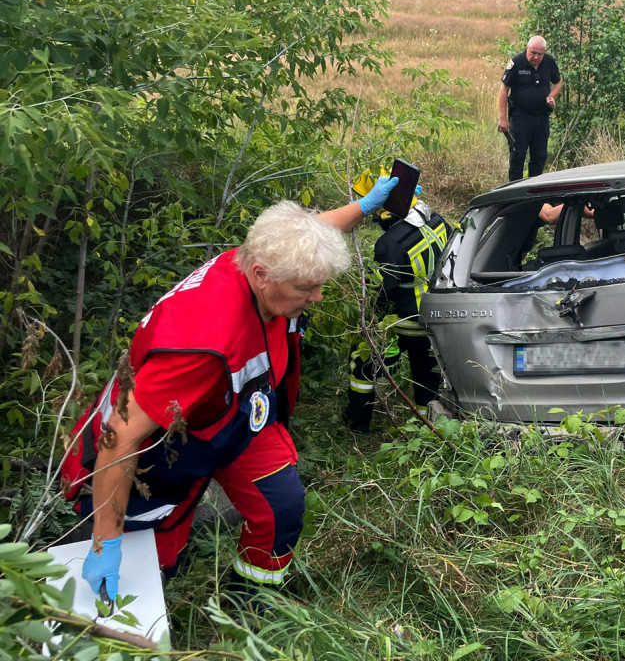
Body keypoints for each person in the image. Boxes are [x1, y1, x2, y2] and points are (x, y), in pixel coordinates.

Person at [61, 177, 399, 605]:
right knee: (148, 563)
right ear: (262, 275)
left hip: (238, 414)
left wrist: (365, 207)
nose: (315, 297)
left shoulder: (265, 254)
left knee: (282, 506)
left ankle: (248, 604)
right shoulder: (202, 346)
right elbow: (120, 437)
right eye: (304, 289)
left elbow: (310, 233)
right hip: (167, 443)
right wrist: (104, 543)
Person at [344, 174, 452, 432]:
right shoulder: (436, 219)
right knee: (427, 377)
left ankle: (358, 422)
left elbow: (383, 293)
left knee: (362, 362)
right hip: (436, 319)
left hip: (404, 323)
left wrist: (369, 323)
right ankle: (429, 428)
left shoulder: (390, 244)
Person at [498, 35, 563, 181]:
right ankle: (515, 192)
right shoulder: (516, 63)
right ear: (527, 49)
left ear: (544, 53)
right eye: (533, 52)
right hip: (520, 117)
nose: (536, 57)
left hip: (541, 118)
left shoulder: (549, 62)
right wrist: (502, 118)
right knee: (518, 156)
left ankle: (534, 192)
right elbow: (503, 90)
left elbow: (558, 82)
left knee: (539, 156)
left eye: (540, 54)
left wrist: (551, 96)